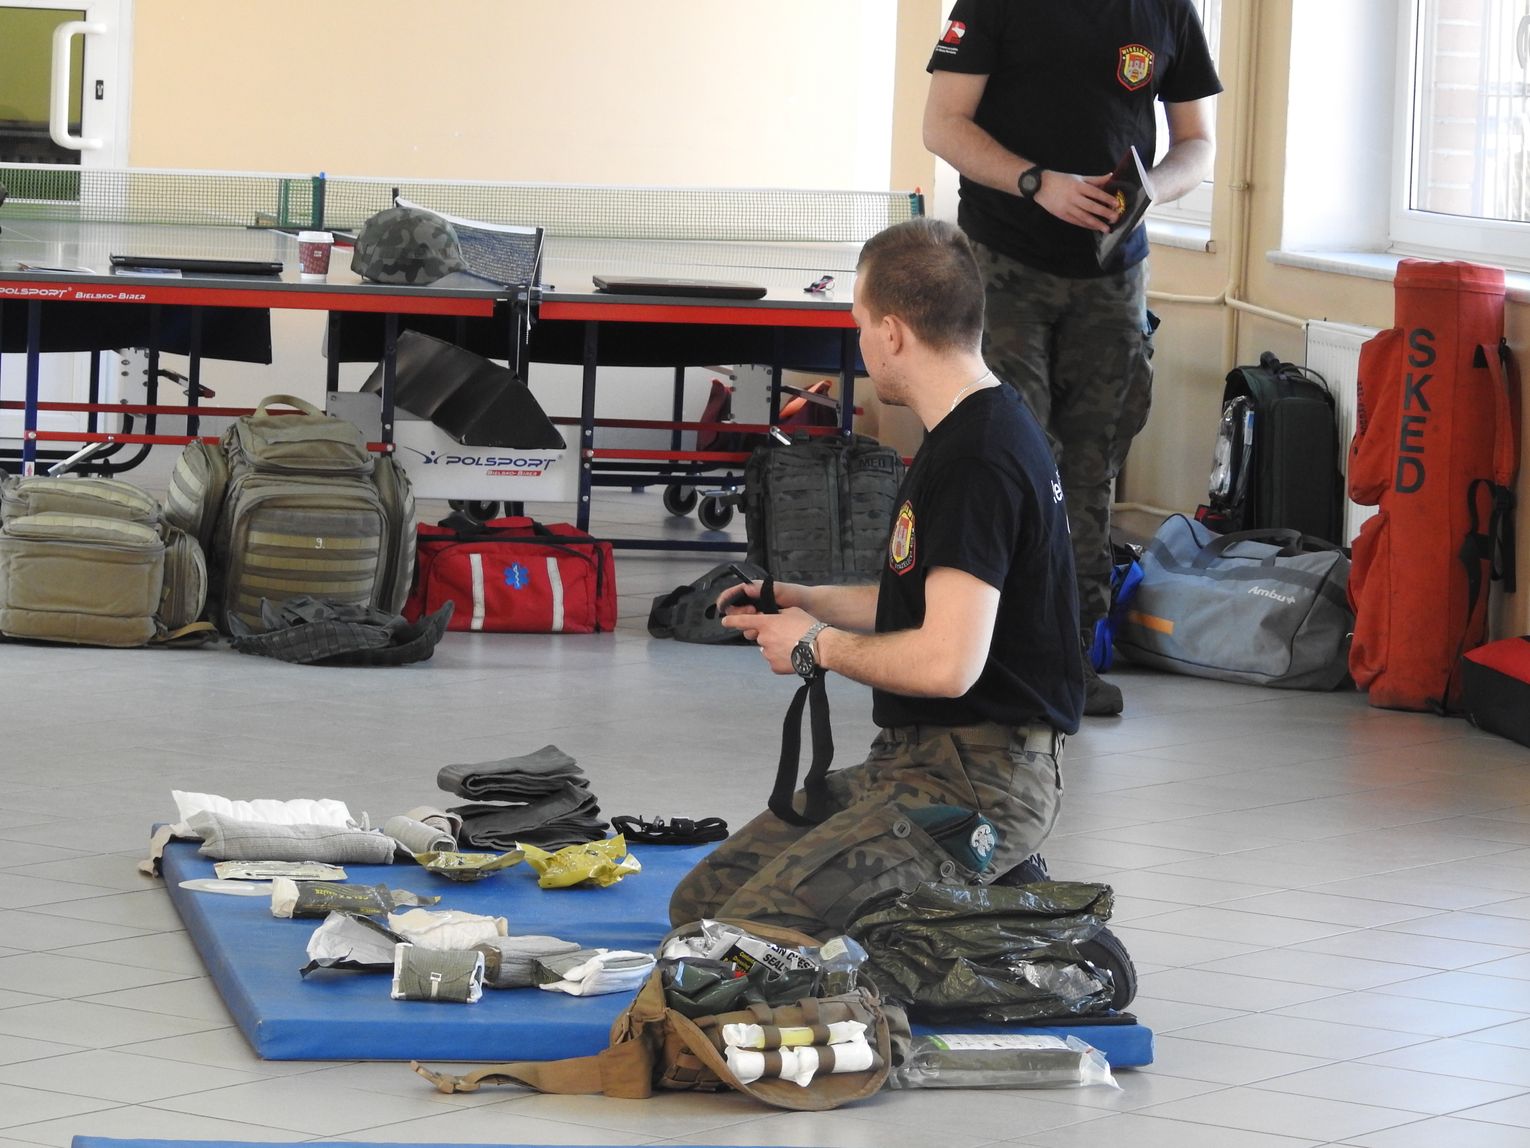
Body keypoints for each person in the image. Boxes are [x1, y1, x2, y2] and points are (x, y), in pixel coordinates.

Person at [668, 218, 1081, 938]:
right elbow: (924, 606)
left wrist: (815, 645)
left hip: (979, 782)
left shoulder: (978, 459)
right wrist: (799, 598)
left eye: (859, 324)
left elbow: (947, 663)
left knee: (745, 945)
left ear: (892, 333)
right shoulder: (970, 428)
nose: (859, 341)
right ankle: (954, 897)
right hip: (918, 759)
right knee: (700, 909)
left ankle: (990, 912)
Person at [923, 0, 1222, 716]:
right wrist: (1037, 181)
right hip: (1004, 261)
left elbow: (1197, 142)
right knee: (1011, 456)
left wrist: (1153, 188)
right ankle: (988, 653)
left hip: (1114, 272)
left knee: (1091, 465)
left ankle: (1070, 656)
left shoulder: (1166, 9)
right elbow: (944, 124)